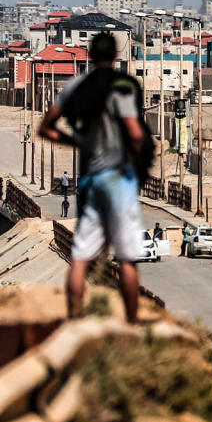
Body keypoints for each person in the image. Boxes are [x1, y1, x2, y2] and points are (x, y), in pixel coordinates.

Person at [38, 31, 150, 324]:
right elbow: (136, 134)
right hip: (117, 177)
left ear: (88, 55)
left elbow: (46, 127)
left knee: (80, 257)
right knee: (127, 257)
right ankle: (131, 321)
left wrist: (76, 143)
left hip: (89, 178)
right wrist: (137, 162)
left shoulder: (74, 87)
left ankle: (74, 319)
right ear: (116, 55)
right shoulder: (120, 87)